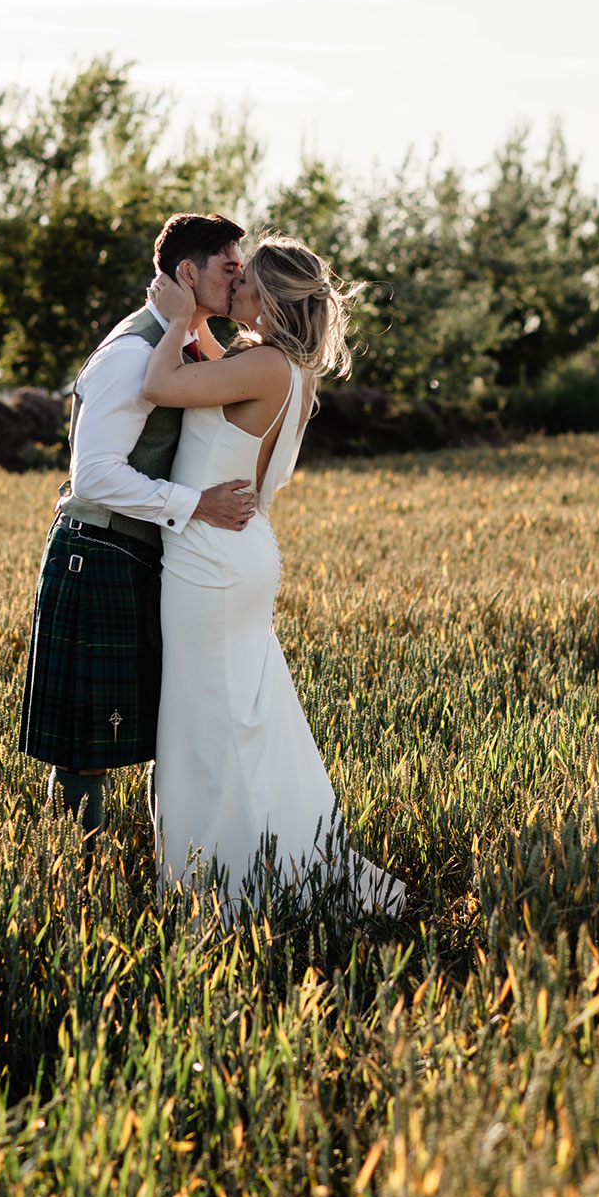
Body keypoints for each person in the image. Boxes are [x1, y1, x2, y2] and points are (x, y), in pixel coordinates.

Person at [143, 234, 406, 917]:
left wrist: (176, 321)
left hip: (212, 561)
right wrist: (195, 327)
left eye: (246, 283)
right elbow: (208, 373)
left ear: (270, 301)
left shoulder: (261, 366)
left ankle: (230, 884)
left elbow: (160, 385)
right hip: (238, 551)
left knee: (207, 721)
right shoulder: (279, 367)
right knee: (246, 716)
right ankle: (271, 865)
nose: (235, 290)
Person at [18, 213, 257, 842]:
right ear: (187, 272)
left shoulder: (179, 345)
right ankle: (78, 883)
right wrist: (198, 504)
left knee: (153, 731)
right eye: (230, 269)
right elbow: (95, 477)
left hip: (138, 557)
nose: (240, 281)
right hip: (96, 554)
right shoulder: (131, 356)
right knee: (85, 752)